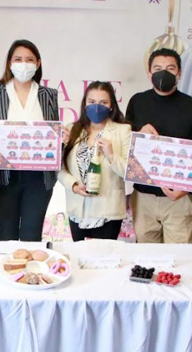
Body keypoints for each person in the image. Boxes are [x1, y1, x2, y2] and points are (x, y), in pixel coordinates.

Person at [126, 48, 192, 244]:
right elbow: (126, 142)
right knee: (146, 255)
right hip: (144, 196)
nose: (163, 73)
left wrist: (186, 188)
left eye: (170, 68)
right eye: (158, 68)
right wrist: (138, 132)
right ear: (149, 73)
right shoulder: (137, 102)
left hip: (179, 198)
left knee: (179, 255)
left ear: (179, 73)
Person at [0, 39, 59, 241]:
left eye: (29, 59)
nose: (24, 64)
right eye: (18, 59)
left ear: (38, 63)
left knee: (32, 235)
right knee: (6, 235)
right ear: (10, 63)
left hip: (39, 178)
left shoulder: (49, 95)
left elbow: (53, 133)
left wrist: (61, 138)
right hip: (4, 177)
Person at [58, 81, 130, 241]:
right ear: (84, 104)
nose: (97, 107)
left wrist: (111, 155)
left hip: (108, 211)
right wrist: (73, 185)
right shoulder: (71, 129)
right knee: (78, 254)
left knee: (105, 255)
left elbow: (129, 171)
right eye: (91, 102)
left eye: (103, 102)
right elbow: (59, 168)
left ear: (111, 106)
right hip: (78, 209)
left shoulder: (123, 131)